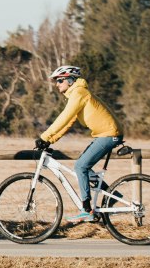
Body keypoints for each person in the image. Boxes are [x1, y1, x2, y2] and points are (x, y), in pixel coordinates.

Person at [36, 65, 122, 223]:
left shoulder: (79, 93)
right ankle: (112, 194)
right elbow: (69, 122)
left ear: (69, 80)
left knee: (80, 167)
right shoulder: (76, 94)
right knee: (82, 167)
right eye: (56, 81)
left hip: (109, 135)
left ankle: (87, 209)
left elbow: (64, 116)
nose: (57, 84)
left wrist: (44, 136)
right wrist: (50, 140)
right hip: (105, 134)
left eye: (60, 80)